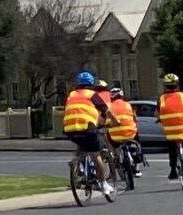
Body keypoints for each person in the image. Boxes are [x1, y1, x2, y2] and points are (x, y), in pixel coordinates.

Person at [59, 71, 111, 200]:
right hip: (87, 128)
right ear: (92, 83)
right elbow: (106, 110)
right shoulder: (92, 95)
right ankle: (104, 184)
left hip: (70, 128)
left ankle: (77, 162)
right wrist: (114, 122)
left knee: (81, 144)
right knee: (96, 155)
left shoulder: (71, 95)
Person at [103, 83, 142, 186]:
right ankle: (137, 168)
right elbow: (135, 119)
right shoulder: (128, 105)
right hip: (130, 134)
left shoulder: (109, 107)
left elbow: (107, 122)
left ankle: (114, 154)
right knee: (137, 142)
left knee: (107, 137)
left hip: (115, 136)